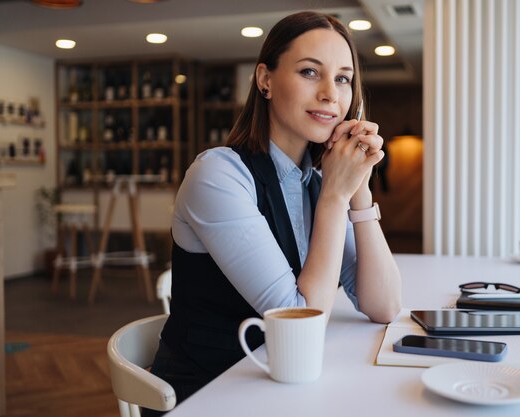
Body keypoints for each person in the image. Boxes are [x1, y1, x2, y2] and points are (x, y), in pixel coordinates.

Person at [143, 11, 402, 416]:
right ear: (265, 79)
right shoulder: (219, 175)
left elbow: (384, 305)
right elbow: (302, 323)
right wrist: (335, 197)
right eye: (310, 72)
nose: (331, 95)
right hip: (210, 396)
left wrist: (359, 188)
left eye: (343, 78)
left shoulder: (316, 179)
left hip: (283, 392)